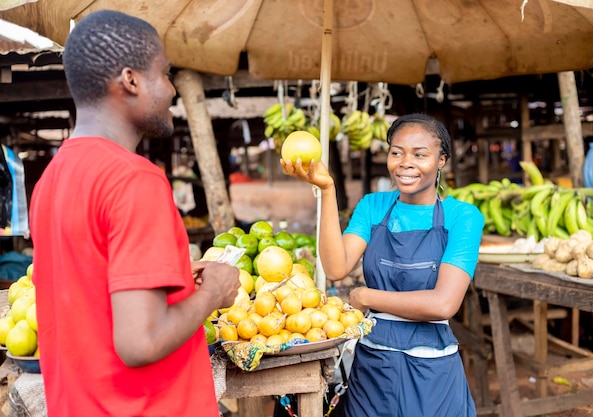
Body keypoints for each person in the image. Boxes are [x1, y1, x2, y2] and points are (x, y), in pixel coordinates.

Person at [29, 10, 241, 417]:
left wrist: (179, 282)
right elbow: (140, 342)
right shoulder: (133, 180)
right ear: (131, 80)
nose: (172, 90)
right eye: (164, 73)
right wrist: (214, 294)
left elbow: (94, 294)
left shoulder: (52, 179)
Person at [282, 113, 483, 417]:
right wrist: (327, 190)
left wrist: (366, 297)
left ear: (441, 161)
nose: (405, 162)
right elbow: (336, 268)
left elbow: (444, 303)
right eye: (397, 152)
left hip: (432, 370)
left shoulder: (462, 217)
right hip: (373, 366)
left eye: (420, 154)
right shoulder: (373, 207)